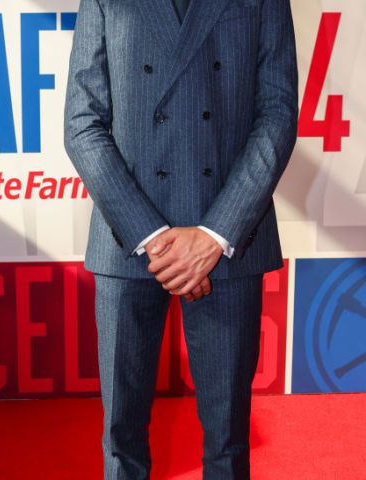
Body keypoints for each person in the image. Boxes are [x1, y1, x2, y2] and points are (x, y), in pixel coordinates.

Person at [63, 0, 298, 478]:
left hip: (228, 242)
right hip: (127, 240)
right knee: (120, 439)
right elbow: (81, 123)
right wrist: (152, 237)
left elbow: (277, 114)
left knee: (228, 441)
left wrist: (215, 234)